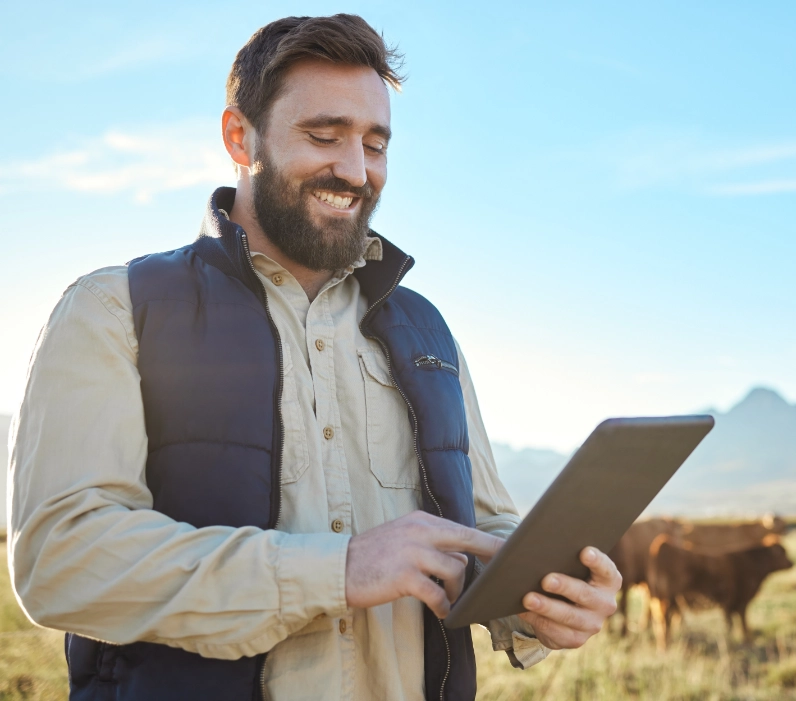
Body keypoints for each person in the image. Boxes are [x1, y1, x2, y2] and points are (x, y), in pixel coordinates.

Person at [7, 14, 621, 701]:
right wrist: (339, 569)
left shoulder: (428, 333)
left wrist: (546, 594)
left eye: (376, 144)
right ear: (240, 137)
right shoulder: (113, 309)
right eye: (323, 136)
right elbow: (60, 559)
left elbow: (482, 533)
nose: (355, 170)